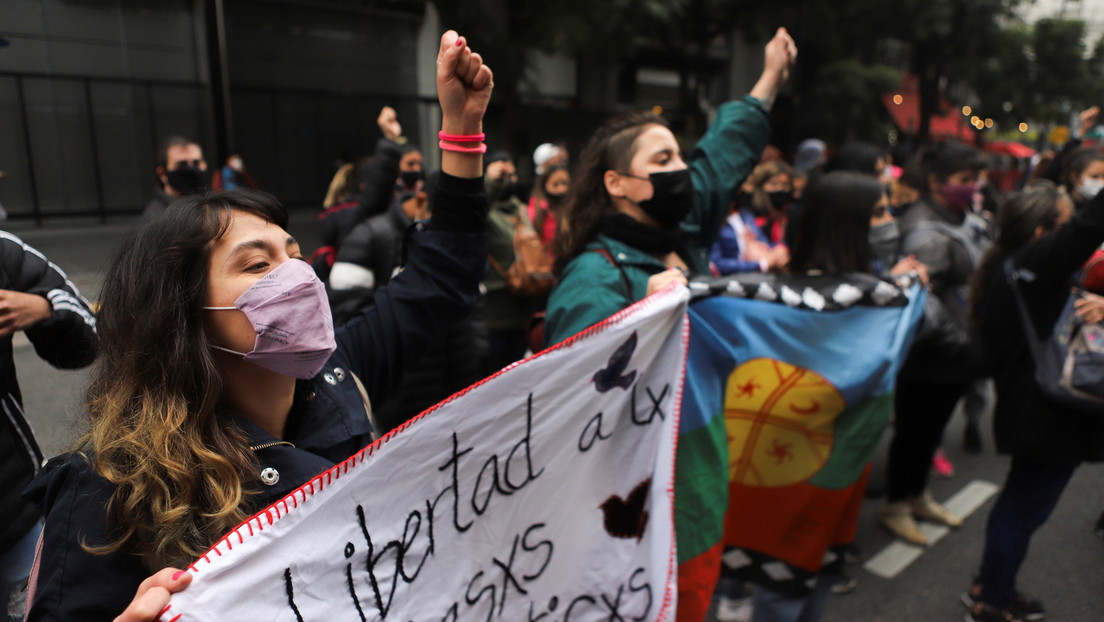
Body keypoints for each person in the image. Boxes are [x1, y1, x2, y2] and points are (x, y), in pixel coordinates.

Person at [22, 30, 492, 622]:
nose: (297, 275)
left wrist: (463, 129)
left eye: (295, 254)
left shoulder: (341, 376)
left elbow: (441, 277)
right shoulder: (111, 484)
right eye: (257, 264)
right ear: (183, 312)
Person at [721, 171, 919, 622]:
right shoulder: (878, 301)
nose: (890, 221)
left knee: (794, 573)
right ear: (845, 224)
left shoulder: (879, 298)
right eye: (878, 213)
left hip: (809, 466)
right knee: (789, 580)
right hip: (797, 467)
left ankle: (735, 594)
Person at [544, 28, 795, 347]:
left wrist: (771, 77)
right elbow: (579, 373)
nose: (681, 169)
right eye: (663, 160)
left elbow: (723, 154)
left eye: (680, 156)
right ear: (616, 183)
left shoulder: (683, 231)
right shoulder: (591, 279)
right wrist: (645, 318)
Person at [964, 180, 1104, 622]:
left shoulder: (1014, 265)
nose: (1072, 231)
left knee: (1021, 504)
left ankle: (990, 584)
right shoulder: (1036, 264)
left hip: (1031, 409)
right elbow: (1089, 226)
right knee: (1024, 509)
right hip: (1046, 417)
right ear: (1043, 233)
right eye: (1064, 224)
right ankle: (992, 602)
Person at [879, 141, 989, 546]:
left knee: (931, 431)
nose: (973, 186)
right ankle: (896, 504)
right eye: (965, 179)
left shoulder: (964, 217)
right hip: (932, 351)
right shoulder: (923, 230)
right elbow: (920, 299)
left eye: (975, 178)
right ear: (936, 182)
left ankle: (917, 494)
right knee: (913, 431)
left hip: (959, 346)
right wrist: (960, 341)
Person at [0, 232, 97, 622]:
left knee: (36, 606)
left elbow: (88, 335)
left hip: (10, 503)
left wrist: (44, 308)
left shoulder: (3, 250)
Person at [708, 161, 792, 276]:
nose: (747, 189)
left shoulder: (745, 216)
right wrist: (761, 264)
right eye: (774, 184)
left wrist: (779, 249)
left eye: (785, 185)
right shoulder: (718, 223)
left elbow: (764, 244)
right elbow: (715, 264)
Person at [141, 136, 208, 222]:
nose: (191, 169)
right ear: (162, 174)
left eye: (196, 163)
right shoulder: (155, 219)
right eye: (181, 165)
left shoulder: (214, 209)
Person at [526, 163, 570, 252]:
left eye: (565, 183)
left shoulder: (573, 205)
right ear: (544, 184)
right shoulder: (537, 209)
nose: (561, 189)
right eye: (555, 184)